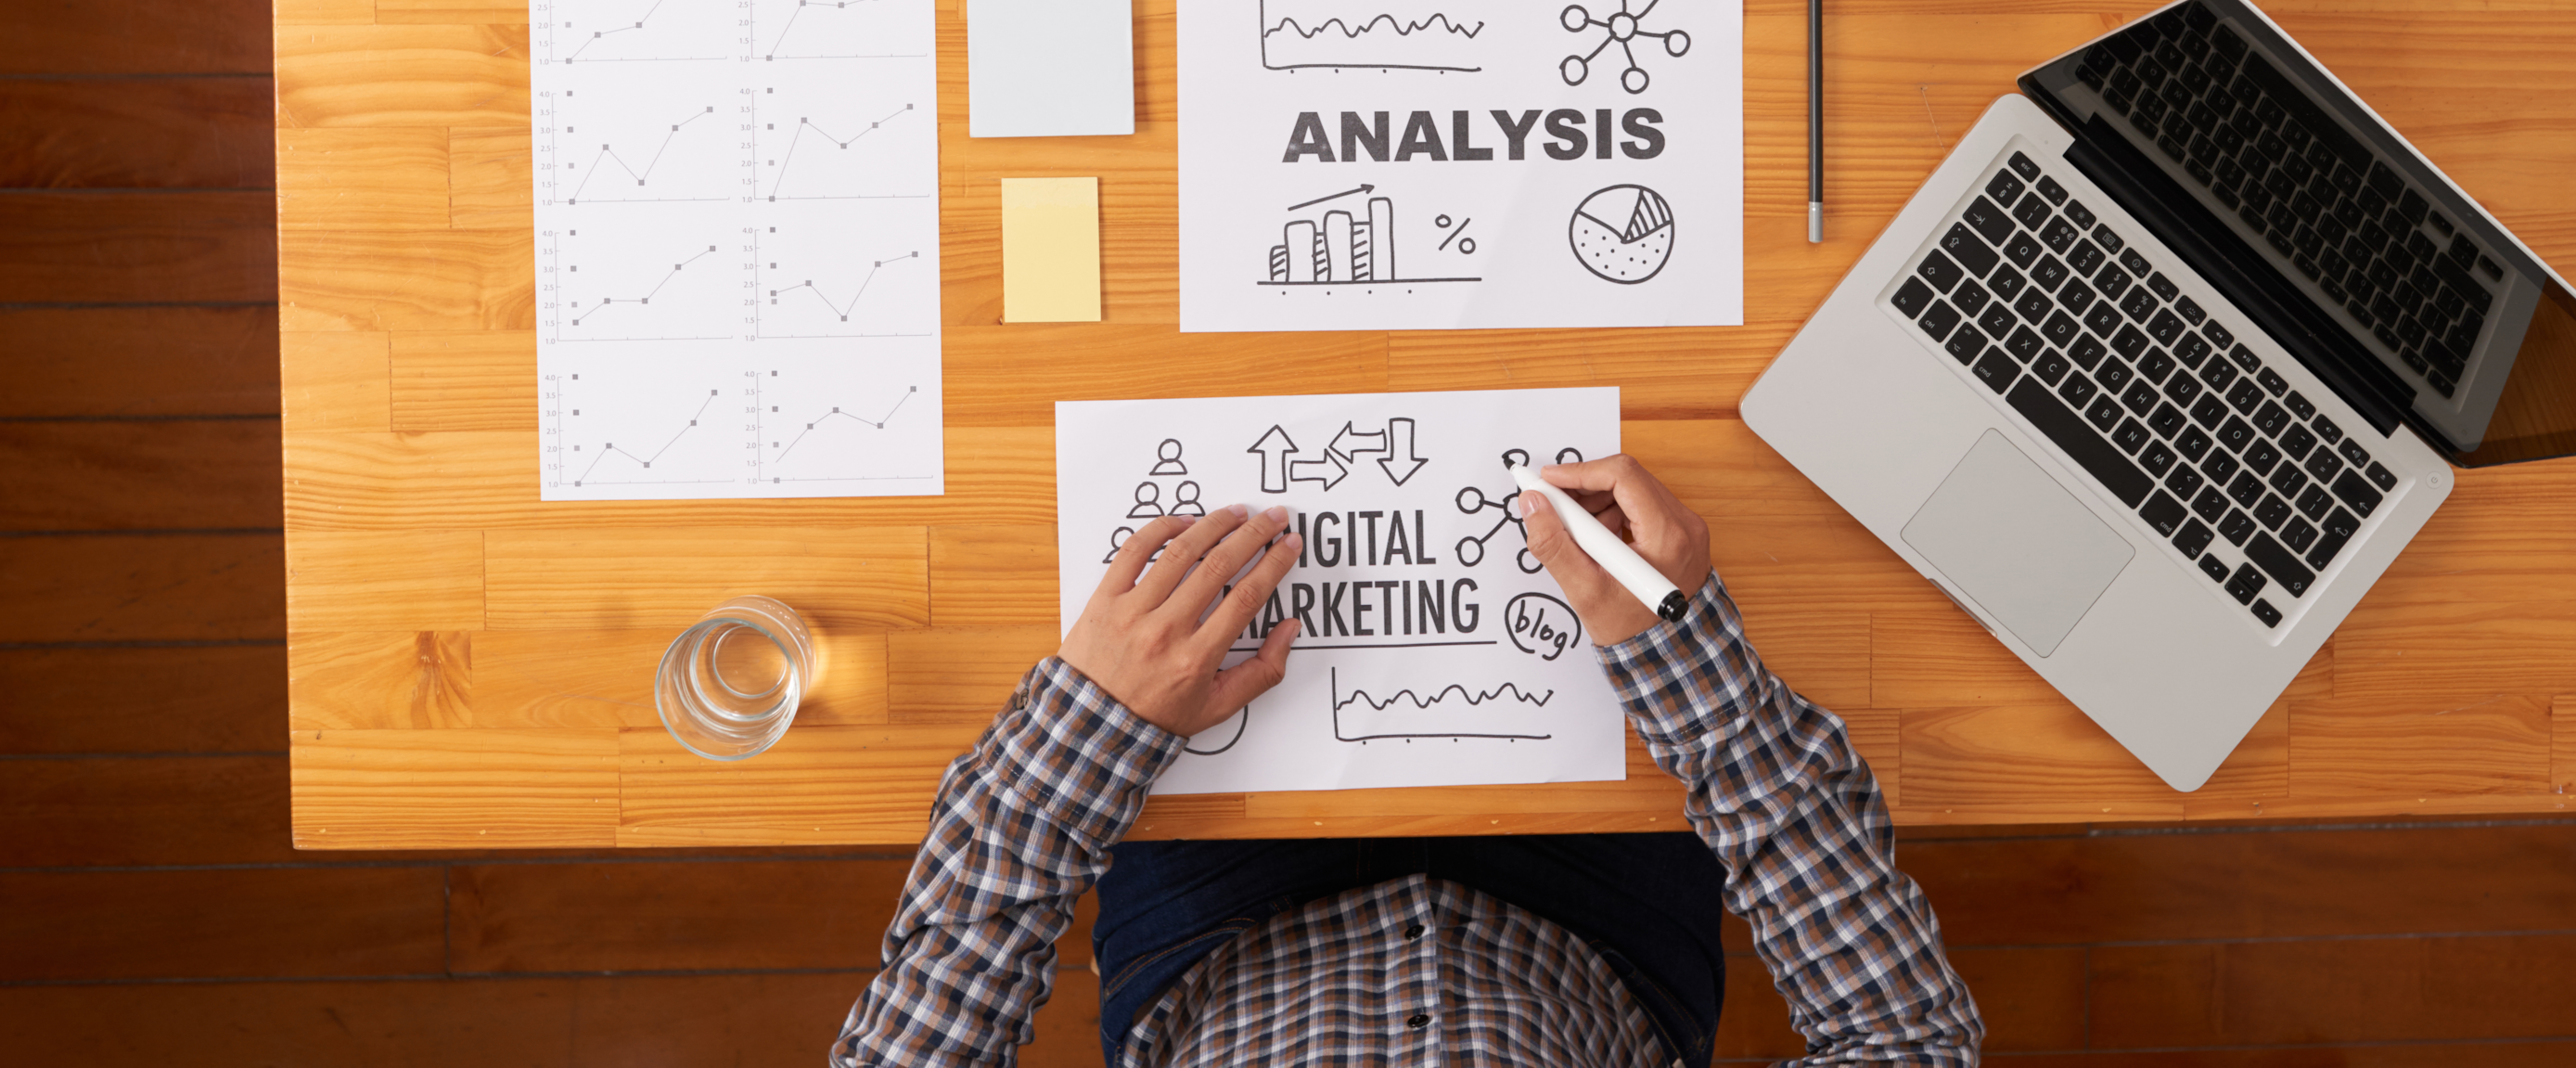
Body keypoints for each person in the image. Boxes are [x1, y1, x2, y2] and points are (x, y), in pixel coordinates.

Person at [832, 455, 1982, 1064]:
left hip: (1215, 918)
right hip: (1604, 917)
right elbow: (1906, 1046)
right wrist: (1689, 666)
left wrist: (1091, 726)